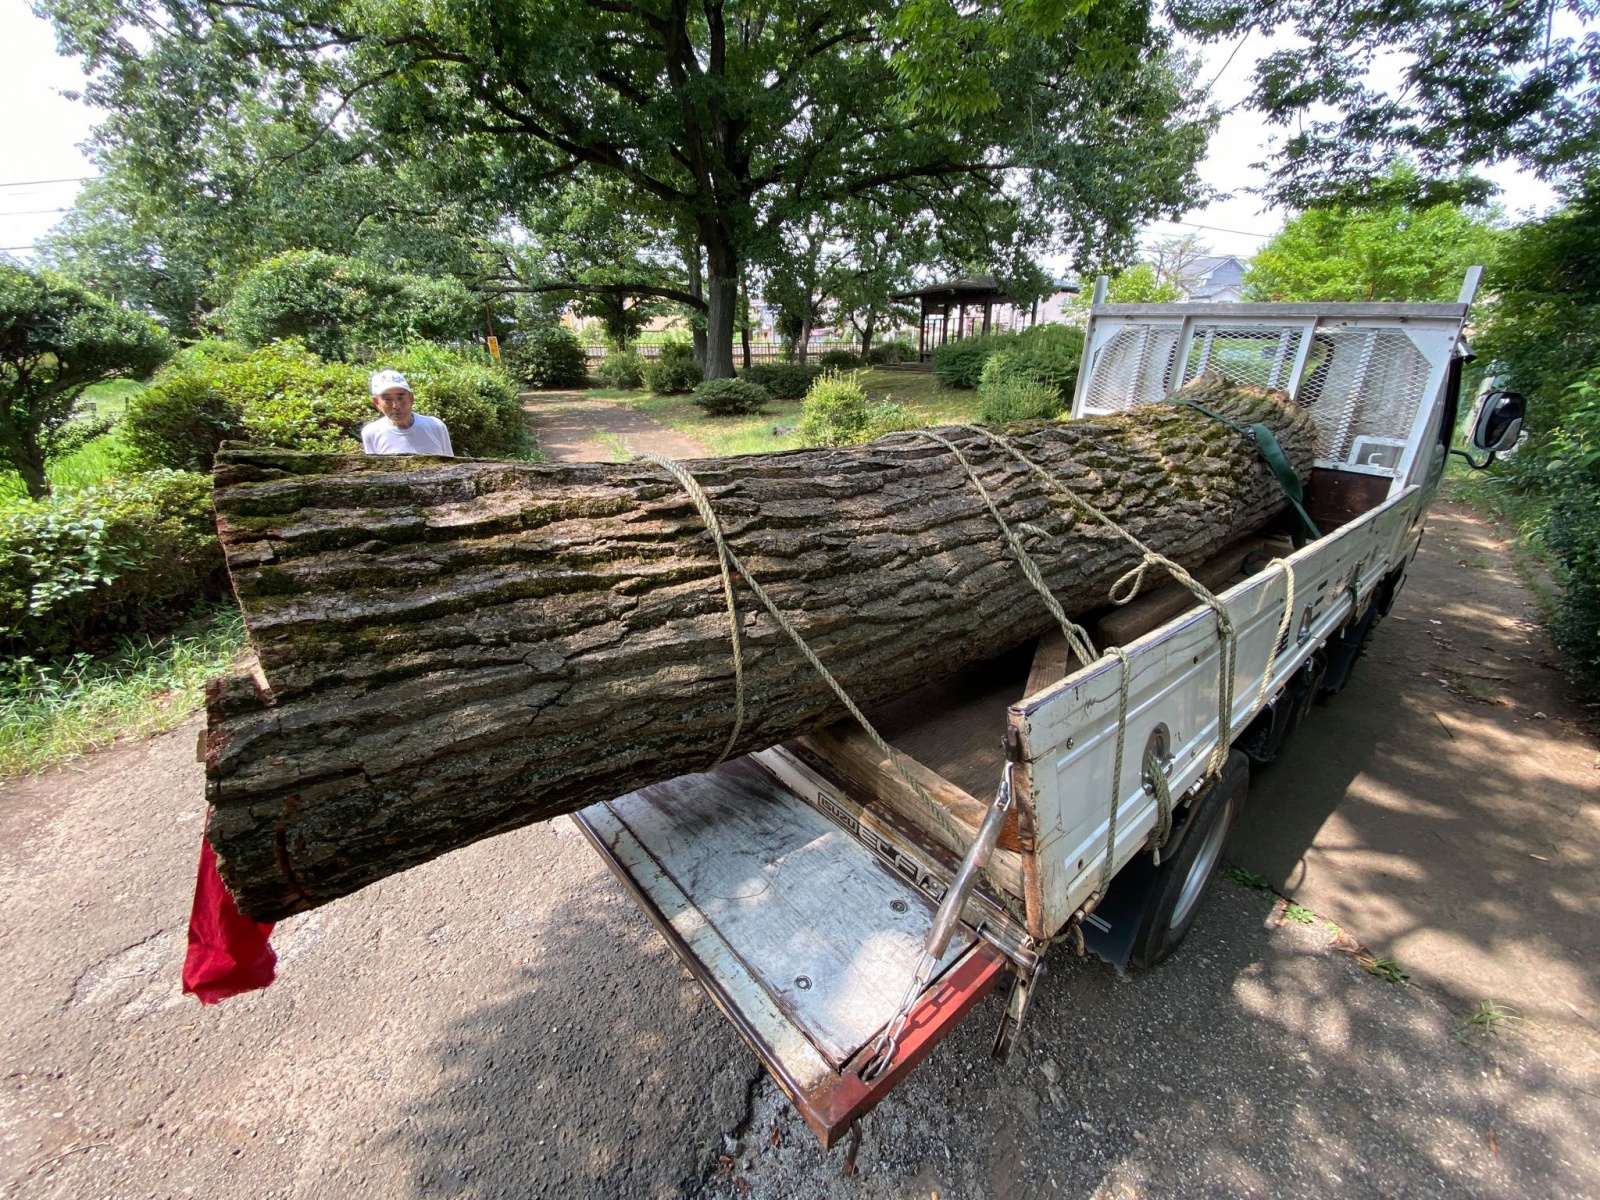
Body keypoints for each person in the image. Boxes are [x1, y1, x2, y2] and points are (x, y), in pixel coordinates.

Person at [361, 369, 454, 456]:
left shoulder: (436, 426)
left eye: (401, 397)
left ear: (411, 398)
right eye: (387, 399)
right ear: (377, 402)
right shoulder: (371, 433)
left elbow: (453, 467)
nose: (396, 405)